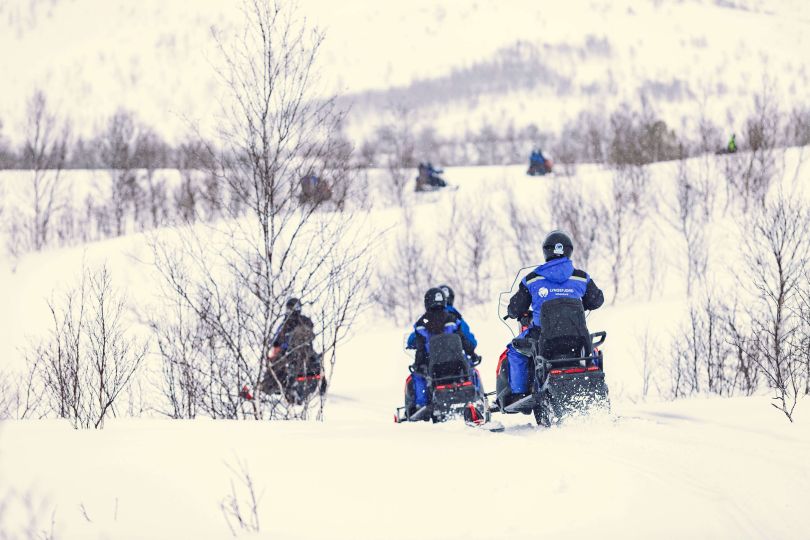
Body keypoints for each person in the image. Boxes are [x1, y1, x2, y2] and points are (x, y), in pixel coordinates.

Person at [500, 230, 604, 405]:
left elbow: (516, 307)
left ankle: (519, 393)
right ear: (569, 250)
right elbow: (597, 300)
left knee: (514, 351)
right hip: (576, 336)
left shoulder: (532, 280)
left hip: (543, 336)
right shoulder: (581, 277)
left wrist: (512, 311)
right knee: (590, 348)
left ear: (546, 251)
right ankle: (593, 379)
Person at [404, 288, 478, 415]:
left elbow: (420, 349)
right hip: (456, 364)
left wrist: (418, 365)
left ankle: (420, 406)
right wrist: (472, 353)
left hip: (434, 366)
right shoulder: (454, 320)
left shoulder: (422, 324)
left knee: (417, 376)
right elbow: (464, 340)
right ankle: (477, 397)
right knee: (471, 367)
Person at [406, 284, 477, 350]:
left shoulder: (424, 320)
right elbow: (470, 341)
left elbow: (412, 340)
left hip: (430, 360)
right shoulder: (455, 319)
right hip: (454, 358)